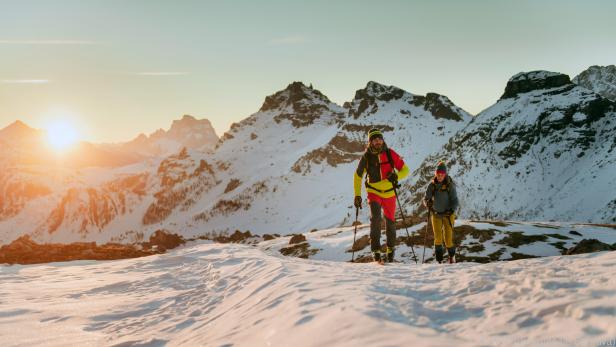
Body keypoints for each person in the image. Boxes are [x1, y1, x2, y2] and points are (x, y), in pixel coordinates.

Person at [353, 128, 409, 263]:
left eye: (379, 138)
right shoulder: (366, 157)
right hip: (373, 192)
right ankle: (376, 251)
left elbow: (405, 170)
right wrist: (357, 195)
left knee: (390, 222)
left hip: (390, 193)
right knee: (376, 219)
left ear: (383, 140)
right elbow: (357, 176)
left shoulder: (390, 154)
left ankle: (390, 250)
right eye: (374, 139)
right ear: (370, 142)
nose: (377, 141)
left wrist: (396, 175)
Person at [423, 161, 459, 263]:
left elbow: (455, 200)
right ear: (435, 173)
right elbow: (425, 199)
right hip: (436, 214)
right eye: (438, 174)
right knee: (438, 238)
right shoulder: (432, 185)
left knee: (448, 239)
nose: (439, 176)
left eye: (441, 174)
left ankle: (452, 257)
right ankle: (439, 262)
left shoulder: (449, 185)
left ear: (445, 174)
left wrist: (452, 209)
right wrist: (427, 203)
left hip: (448, 215)